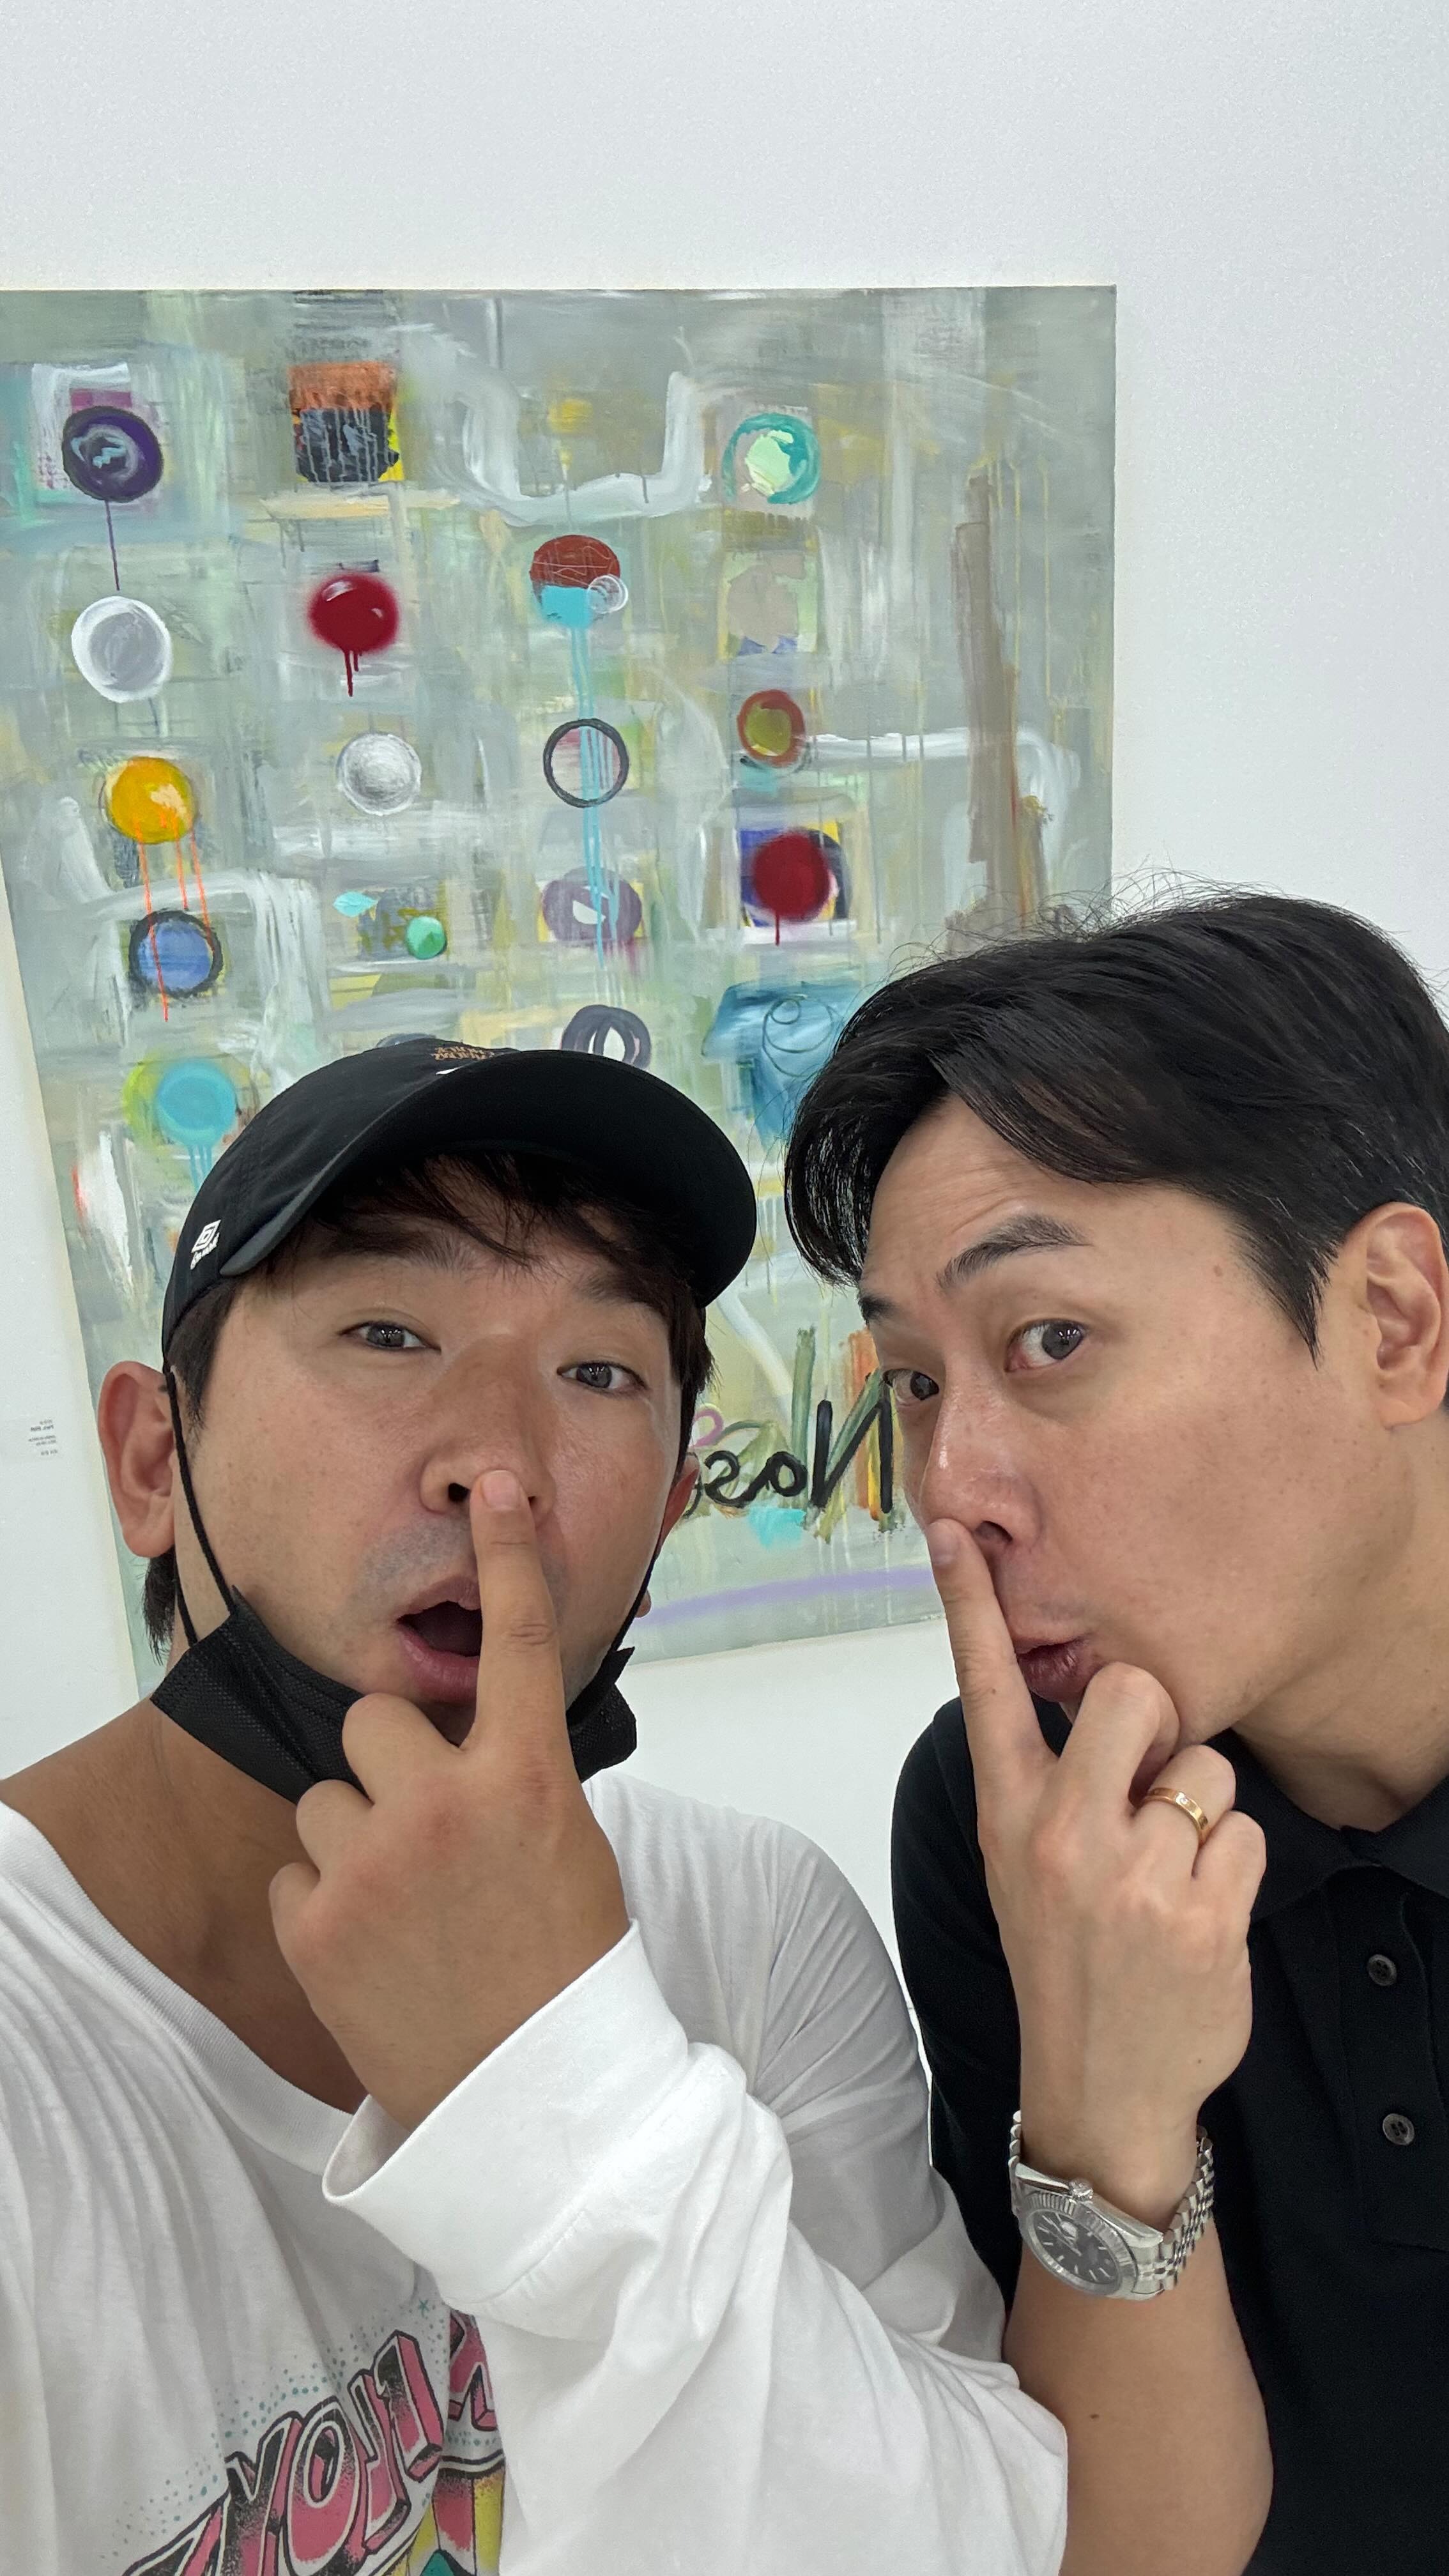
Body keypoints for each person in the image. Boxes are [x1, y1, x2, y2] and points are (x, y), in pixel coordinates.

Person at [0, 1036, 1087, 2576]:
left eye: (598, 1373)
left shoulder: (754, 1926)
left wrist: (565, 2086)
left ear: (667, 1511)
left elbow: (986, 2542)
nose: (499, 1472)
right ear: (150, 1459)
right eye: (388, 1332)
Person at [783, 889, 1449, 2576]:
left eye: (1050, 1341)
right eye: (915, 1383)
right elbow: (1125, 2552)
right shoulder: (1011, 1814)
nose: (948, 1490)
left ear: (1391, 1319)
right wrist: (1108, 2117)